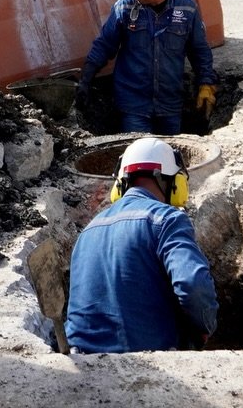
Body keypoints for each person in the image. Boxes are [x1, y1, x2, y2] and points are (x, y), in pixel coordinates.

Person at [65, 137, 218, 353]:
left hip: (82, 358)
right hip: (144, 360)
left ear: (120, 184)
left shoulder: (88, 231)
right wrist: (204, 328)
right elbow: (194, 284)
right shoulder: (167, 219)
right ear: (172, 181)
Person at [79, 0, 217, 136]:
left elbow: (199, 50)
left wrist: (206, 83)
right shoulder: (124, 8)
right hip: (133, 105)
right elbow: (104, 46)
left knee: (170, 152)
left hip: (170, 104)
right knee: (141, 151)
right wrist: (86, 79)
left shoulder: (186, 8)